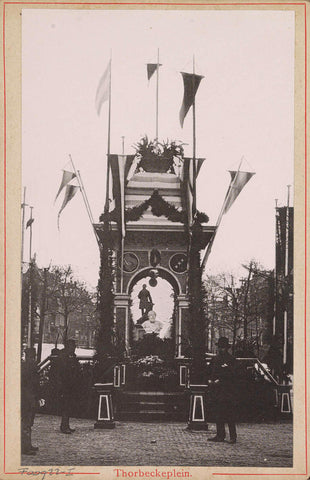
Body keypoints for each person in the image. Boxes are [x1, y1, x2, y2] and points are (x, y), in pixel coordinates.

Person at [207, 337, 238, 444]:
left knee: (229, 414)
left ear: (227, 348)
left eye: (223, 348)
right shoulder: (215, 359)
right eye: (220, 347)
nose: (221, 349)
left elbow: (232, 374)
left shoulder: (231, 360)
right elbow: (210, 371)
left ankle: (233, 436)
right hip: (217, 390)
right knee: (218, 413)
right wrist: (210, 380)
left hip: (227, 390)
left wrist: (219, 380)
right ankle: (220, 435)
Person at [21, 347, 44, 455]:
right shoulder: (27, 369)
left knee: (29, 422)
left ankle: (27, 444)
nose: (32, 359)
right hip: (27, 398)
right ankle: (25, 447)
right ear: (27, 357)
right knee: (26, 422)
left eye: (33, 357)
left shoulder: (28, 368)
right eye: (30, 357)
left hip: (31, 397)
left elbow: (36, 385)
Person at [56, 339, 81, 434]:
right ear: (68, 347)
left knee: (69, 405)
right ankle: (64, 426)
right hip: (65, 384)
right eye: (72, 346)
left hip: (71, 384)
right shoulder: (63, 357)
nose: (74, 348)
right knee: (65, 405)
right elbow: (61, 371)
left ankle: (66, 425)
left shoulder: (72, 356)